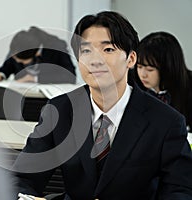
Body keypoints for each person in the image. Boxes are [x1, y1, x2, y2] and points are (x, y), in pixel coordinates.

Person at [12, 11, 192, 199]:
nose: (95, 60)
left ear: (131, 59)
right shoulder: (59, 110)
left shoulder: (166, 121)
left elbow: (180, 191)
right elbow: (23, 178)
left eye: (108, 50)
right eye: (86, 51)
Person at [134, 31, 192, 130]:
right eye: (139, 67)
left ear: (168, 68)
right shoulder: (133, 83)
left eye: (150, 69)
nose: (143, 74)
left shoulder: (188, 87)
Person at [0, 26, 76, 84]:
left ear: (37, 53)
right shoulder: (19, 44)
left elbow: (70, 76)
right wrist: (1, 75)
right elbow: (9, 65)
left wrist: (34, 78)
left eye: (21, 60)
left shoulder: (57, 47)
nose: (16, 61)